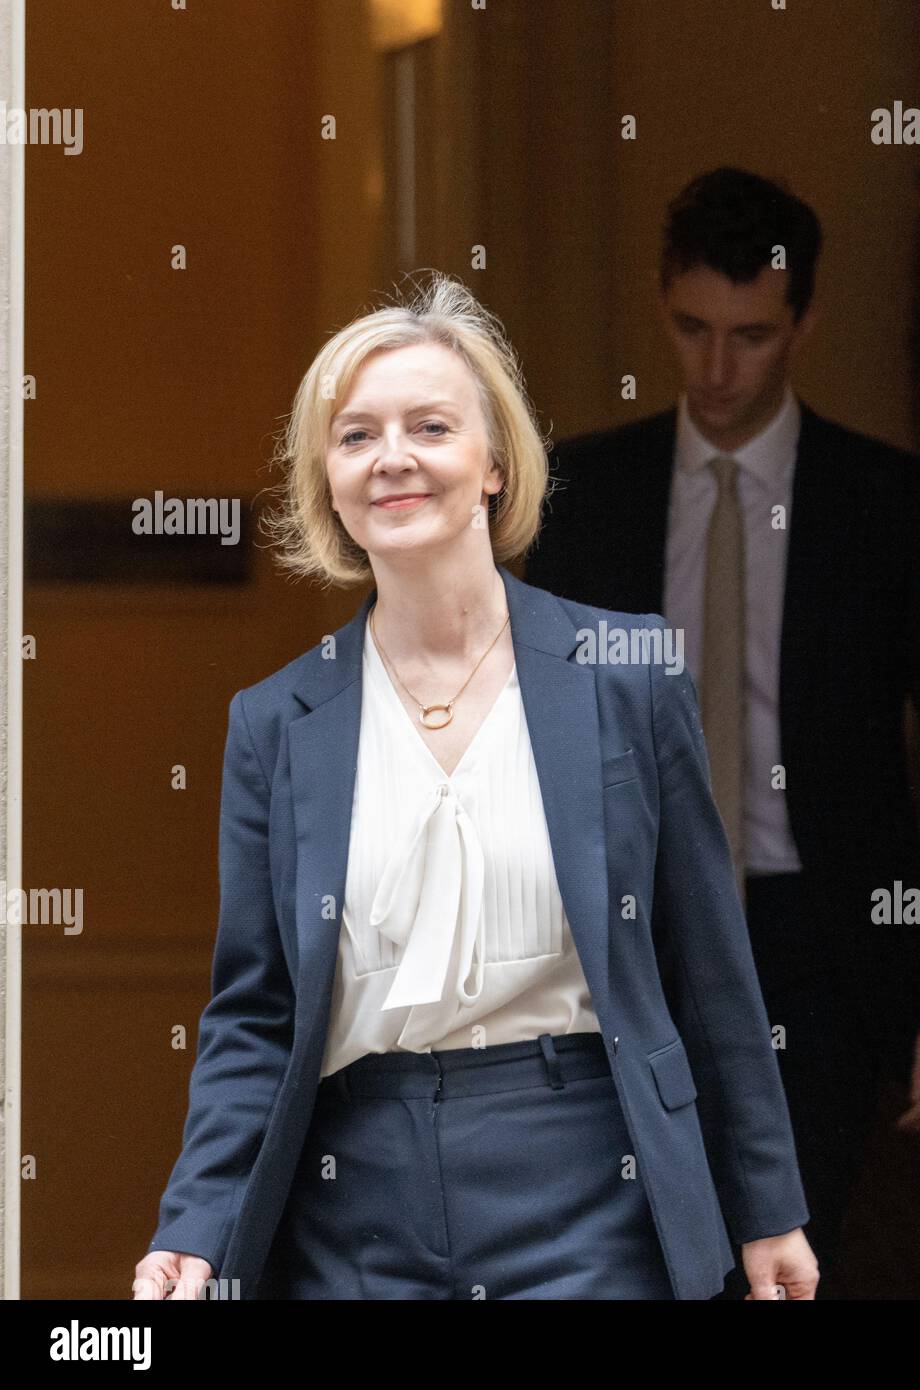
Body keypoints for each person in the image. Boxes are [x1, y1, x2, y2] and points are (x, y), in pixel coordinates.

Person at [133, 271, 816, 1301]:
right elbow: (254, 1015)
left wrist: (767, 1207)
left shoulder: (624, 672)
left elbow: (709, 962)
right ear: (327, 480)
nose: (392, 457)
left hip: (589, 1178)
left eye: (428, 426)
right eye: (355, 435)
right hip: (352, 1201)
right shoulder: (274, 724)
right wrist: (194, 1223)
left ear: (494, 462)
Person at [525, 167, 920, 1298]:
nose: (716, 371)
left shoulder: (888, 506)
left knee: (792, 1264)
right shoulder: (583, 496)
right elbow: (522, 740)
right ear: (663, 304)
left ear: (803, 321)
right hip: (628, 937)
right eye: (691, 330)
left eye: (750, 336)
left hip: (818, 948)